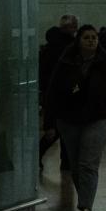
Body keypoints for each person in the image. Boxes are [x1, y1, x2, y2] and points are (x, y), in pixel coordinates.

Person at [49, 24, 106, 211]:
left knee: (88, 164)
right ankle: (85, 201)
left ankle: (86, 208)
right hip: (69, 119)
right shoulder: (66, 62)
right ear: (79, 41)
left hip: (97, 118)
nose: (91, 40)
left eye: (94, 37)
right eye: (87, 37)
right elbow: (53, 92)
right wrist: (49, 122)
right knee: (75, 166)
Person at [38, 14, 79, 169]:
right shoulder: (69, 46)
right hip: (65, 92)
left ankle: (64, 161)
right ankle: (66, 162)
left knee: (56, 128)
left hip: (51, 91)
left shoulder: (50, 46)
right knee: (63, 128)